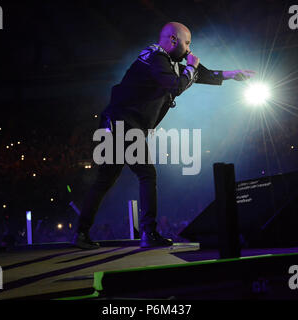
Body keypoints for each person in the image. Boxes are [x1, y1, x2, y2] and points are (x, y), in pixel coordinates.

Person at [72, 22, 255, 249]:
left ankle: (81, 233)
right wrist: (190, 68)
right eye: (187, 43)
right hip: (124, 124)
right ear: (173, 40)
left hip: (117, 123)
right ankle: (149, 233)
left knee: (106, 179)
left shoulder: (166, 61)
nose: (189, 49)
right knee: (147, 175)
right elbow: (176, 86)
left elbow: (200, 74)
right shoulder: (156, 58)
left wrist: (231, 74)